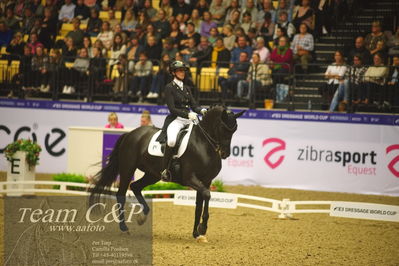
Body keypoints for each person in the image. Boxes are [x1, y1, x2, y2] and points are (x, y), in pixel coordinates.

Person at [158, 60, 207, 181]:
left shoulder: (187, 88)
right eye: (180, 70)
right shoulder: (169, 87)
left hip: (190, 118)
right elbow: (172, 108)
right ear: (174, 72)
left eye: (183, 71)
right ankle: (164, 170)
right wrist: (187, 114)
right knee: (172, 141)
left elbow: (194, 105)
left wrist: (201, 111)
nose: (182, 73)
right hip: (177, 119)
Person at [270, 36, 293, 102]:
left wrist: (278, 58)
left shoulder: (289, 50)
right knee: (273, 73)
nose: (281, 42)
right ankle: (275, 93)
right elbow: (272, 57)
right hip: (276, 68)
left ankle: (276, 93)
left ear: (286, 42)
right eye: (280, 41)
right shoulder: (275, 49)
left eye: (283, 41)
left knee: (277, 75)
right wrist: (281, 57)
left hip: (286, 68)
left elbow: (286, 59)